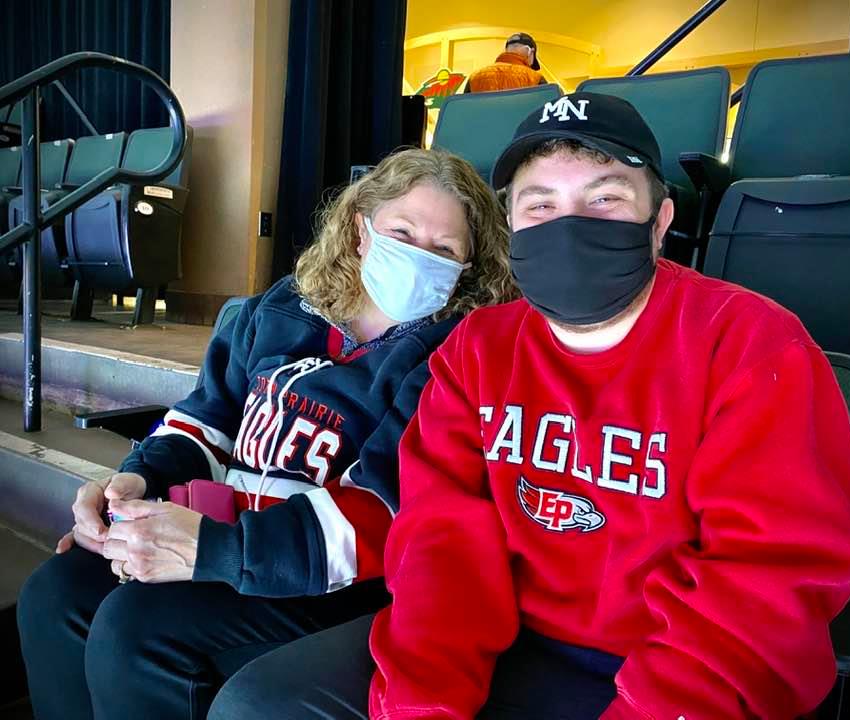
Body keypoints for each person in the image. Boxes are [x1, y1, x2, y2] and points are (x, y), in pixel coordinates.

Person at [209, 93, 850, 719]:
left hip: (671, 666)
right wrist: (422, 704)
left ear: (660, 221)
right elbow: (441, 542)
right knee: (261, 703)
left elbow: (761, 590)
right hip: (511, 643)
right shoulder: (479, 347)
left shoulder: (753, 344)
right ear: (513, 222)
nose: (569, 226)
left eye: (604, 199)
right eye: (540, 204)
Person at [17, 147, 516, 720]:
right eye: (402, 232)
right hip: (230, 535)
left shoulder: (449, 355)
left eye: (443, 250)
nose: (418, 258)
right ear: (361, 230)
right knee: (57, 594)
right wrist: (136, 484)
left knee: (137, 628)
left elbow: (381, 513)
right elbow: (205, 422)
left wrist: (214, 551)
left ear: (469, 267)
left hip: (332, 579)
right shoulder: (282, 307)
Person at [464, 32, 546, 94]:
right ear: (530, 52)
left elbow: (464, 109)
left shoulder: (475, 77)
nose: (530, 65)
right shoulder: (535, 78)